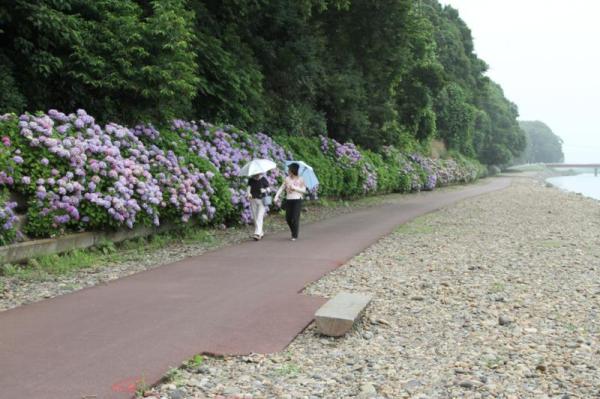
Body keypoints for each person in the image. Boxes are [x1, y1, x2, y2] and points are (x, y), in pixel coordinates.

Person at [274, 163, 306, 241]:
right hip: (289, 200)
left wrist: (295, 188)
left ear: (293, 170)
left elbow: (304, 190)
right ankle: (293, 231)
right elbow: (282, 188)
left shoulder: (301, 179)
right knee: (288, 218)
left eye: (289, 170)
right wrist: (276, 196)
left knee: (295, 218)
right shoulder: (287, 179)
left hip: (297, 200)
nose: (288, 171)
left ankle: (294, 235)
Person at [247, 173, 270, 240]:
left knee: (259, 216)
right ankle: (261, 232)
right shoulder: (251, 180)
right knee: (255, 217)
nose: (256, 175)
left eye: (258, 173)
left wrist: (264, 190)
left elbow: (269, 189)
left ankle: (257, 233)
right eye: (255, 173)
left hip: (262, 200)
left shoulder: (263, 179)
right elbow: (248, 189)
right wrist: (248, 194)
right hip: (253, 200)